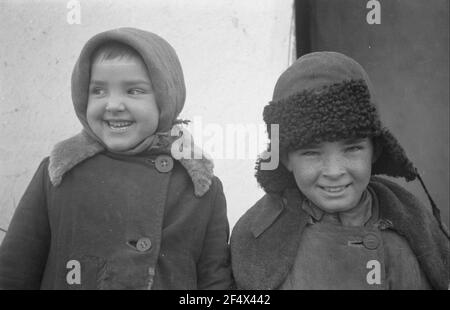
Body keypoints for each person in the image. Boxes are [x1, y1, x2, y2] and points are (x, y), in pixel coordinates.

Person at [0, 27, 232, 290]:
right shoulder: (59, 174)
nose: (112, 105)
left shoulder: (201, 188)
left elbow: (215, 281)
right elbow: (12, 272)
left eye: (133, 91)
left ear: (167, 98)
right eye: (98, 91)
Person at [230, 51, 449, 290]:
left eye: (352, 148)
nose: (334, 171)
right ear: (285, 158)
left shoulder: (416, 229)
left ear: (375, 151)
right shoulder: (256, 238)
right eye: (311, 152)